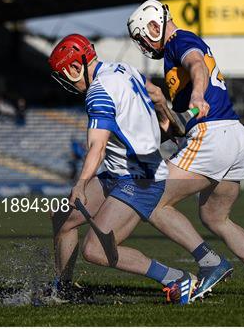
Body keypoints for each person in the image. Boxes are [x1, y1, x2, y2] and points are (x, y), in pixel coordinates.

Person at [127, 0, 244, 296]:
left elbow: (196, 63)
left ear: (154, 25)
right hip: (234, 136)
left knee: (153, 201)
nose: (143, 44)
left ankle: (210, 262)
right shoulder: (173, 53)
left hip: (212, 134)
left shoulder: (178, 41)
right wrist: (165, 119)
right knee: (215, 217)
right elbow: (180, 121)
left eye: (142, 36)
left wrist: (198, 95)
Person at [49, 34, 200, 305]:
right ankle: (63, 288)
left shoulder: (97, 92)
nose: (68, 84)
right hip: (120, 172)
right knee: (64, 218)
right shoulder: (123, 68)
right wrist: (169, 122)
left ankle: (176, 278)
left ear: (74, 67)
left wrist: (80, 185)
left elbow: (97, 146)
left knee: (97, 250)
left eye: (66, 76)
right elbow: (155, 93)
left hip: (141, 178)